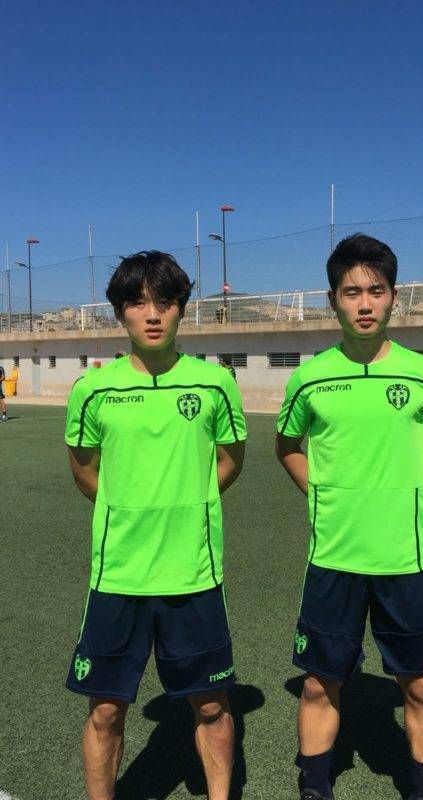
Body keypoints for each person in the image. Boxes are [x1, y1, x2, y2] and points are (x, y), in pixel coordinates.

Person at [276, 234, 423, 800]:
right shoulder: (309, 377)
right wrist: (317, 494)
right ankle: (315, 789)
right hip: (332, 558)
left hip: (404, 561)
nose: (364, 303)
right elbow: (287, 444)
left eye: (376, 291)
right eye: (351, 292)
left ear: (393, 298)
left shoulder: (422, 375)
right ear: (332, 300)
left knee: (421, 688)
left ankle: (422, 792)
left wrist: (412, 493)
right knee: (318, 686)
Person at [65, 251, 246, 800]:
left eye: (164, 302)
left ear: (180, 311)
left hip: (193, 573)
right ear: (119, 311)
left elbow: (231, 461)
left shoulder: (215, 384)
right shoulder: (92, 389)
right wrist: (136, 506)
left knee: (212, 705)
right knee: (105, 711)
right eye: (138, 302)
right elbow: (85, 472)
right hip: (118, 575)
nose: (152, 314)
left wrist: (182, 502)